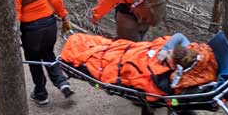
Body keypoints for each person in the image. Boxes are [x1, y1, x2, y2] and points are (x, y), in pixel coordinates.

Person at [9, 0, 74, 105]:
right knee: (49, 54)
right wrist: (65, 18)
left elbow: (16, 14)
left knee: (34, 60)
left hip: (31, 29)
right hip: (50, 24)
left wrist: (15, 35)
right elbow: (56, 0)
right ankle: (62, 82)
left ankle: (41, 93)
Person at [59, 33, 217, 96]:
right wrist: (164, 49)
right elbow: (179, 37)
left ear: (174, 65)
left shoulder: (173, 76)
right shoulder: (193, 52)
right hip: (130, 49)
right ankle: (78, 41)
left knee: (96, 55)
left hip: (123, 60)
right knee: (104, 45)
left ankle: (75, 47)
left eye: (168, 57)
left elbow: (136, 77)